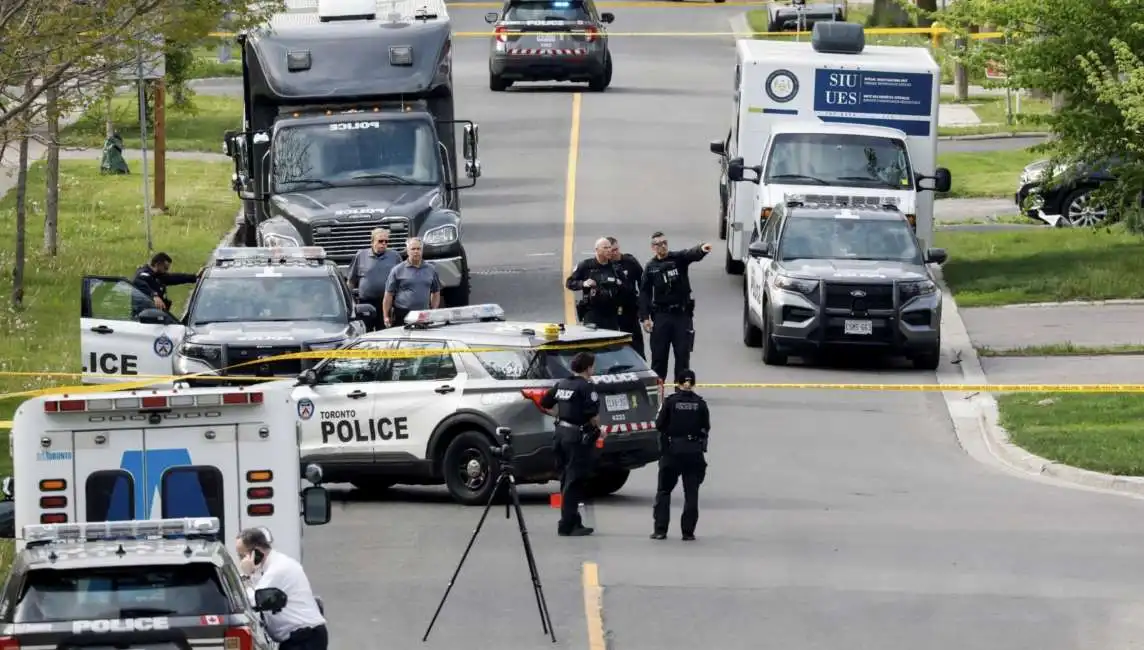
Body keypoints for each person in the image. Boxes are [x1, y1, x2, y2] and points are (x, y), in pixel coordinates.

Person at [539, 351, 601, 537]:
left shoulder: (562, 384)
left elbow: (545, 403)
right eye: (593, 366)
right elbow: (593, 416)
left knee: (566, 479)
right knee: (574, 481)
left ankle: (574, 520)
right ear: (588, 368)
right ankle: (566, 524)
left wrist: (559, 416)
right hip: (576, 438)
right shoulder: (586, 387)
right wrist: (600, 430)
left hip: (560, 435)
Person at [235, 528, 328, 650]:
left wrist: (247, 576)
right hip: (298, 639)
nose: (241, 561)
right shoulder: (268, 568)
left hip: (304, 640)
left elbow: (252, 601)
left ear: (256, 552)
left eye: (242, 555)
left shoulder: (278, 569)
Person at [638, 233, 712, 381]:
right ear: (653, 247)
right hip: (661, 316)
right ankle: (658, 395)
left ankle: (681, 394)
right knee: (659, 357)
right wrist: (645, 317)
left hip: (681, 315)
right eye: (659, 244)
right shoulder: (651, 267)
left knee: (682, 356)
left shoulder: (678, 259)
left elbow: (690, 254)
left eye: (665, 242)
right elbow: (644, 293)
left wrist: (701, 249)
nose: (663, 246)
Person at [651, 369, 710, 541]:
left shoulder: (670, 402)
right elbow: (706, 427)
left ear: (677, 383)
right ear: (694, 384)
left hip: (672, 452)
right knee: (691, 493)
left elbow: (659, 424)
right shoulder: (700, 404)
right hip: (693, 452)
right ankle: (688, 532)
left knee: (664, 491)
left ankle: (660, 530)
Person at [564, 238, 625, 330]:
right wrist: (583, 283)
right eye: (605, 248)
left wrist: (618, 283)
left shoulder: (616, 267)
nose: (609, 250)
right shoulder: (586, 265)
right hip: (592, 312)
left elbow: (626, 287)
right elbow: (569, 283)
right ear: (597, 250)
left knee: (611, 341)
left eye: (609, 247)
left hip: (611, 313)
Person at [346, 228, 401, 325]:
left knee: (385, 332)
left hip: (387, 302)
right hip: (366, 302)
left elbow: (402, 280)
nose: (384, 243)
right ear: (372, 242)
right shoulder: (360, 255)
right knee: (366, 330)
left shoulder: (395, 256)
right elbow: (351, 281)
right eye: (380, 241)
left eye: (386, 241)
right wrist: (347, 300)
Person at [382, 238, 441, 327]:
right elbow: (388, 295)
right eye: (413, 249)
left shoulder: (431, 269)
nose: (416, 252)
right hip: (403, 313)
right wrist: (386, 316)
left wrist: (433, 311)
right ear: (408, 251)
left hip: (423, 314)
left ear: (422, 251)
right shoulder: (397, 270)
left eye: (418, 249)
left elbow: (436, 292)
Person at [606, 236, 645, 359]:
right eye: (612, 251)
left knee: (636, 345)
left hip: (630, 310)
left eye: (617, 249)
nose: (616, 253)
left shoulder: (630, 262)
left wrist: (643, 307)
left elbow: (643, 283)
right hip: (611, 311)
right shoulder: (604, 265)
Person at [132, 252, 198, 316]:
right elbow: (138, 281)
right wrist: (154, 295)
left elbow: (175, 277)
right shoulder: (143, 274)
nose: (166, 271)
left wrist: (195, 277)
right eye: (165, 268)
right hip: (144, 318)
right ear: (157, 264)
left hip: (157, 315)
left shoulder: (159, 275)